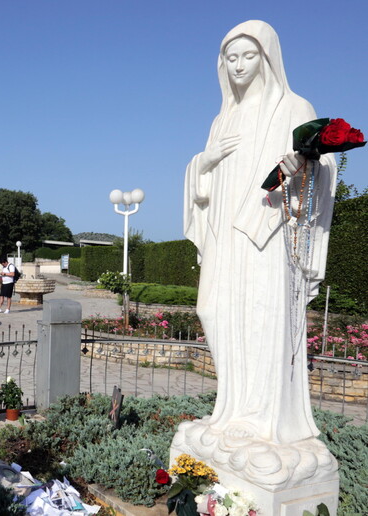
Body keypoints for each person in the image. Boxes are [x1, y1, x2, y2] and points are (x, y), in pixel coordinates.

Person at [174, 20, 338, 486]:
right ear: (221, 65)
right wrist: (200, 165)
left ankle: (263, 421)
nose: (239, 65)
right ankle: (230, 410)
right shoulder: (221, 118)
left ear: (266, 58)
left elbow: (322, 171)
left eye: (248, 56)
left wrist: (304, 165)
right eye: (231, 58)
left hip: (268, 238)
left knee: (261, 318)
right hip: (226, 235)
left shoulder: (294, 107)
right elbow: (202, 184)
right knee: (213, 309)